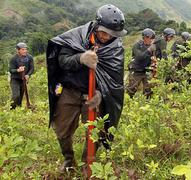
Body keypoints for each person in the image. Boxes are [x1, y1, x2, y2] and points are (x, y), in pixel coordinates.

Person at [46, 4, 126, 173]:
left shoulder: (116, 49)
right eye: (103, 32)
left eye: (111, 34)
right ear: (96, 25)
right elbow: (62, 61)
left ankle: (87, 162)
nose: (106, 37)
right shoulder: (75, 37)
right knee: (62, 128)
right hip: (70, 89)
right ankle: (68, 159)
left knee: (97, 129)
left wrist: (100, 93)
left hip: (94, 94)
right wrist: (80, 58)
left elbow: (113, 80)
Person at [127, 28, 156, 98]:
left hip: (147, 70)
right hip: (136, 70)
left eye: (153, 38)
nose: (151, 40)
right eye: (150, 38)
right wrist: (149, 50)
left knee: (148, 89)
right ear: (144, 37)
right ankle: (128, 103)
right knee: (132, 89)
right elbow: (139, 57)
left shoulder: (152, 46)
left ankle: (147, 104)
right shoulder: (137, 45)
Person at [9, 42, 34, 109]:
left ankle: (19, 111)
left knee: (20, 97)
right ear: (18, 50)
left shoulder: (29, 57)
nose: (25, 51)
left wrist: (28, 75)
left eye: (25, 49)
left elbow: (32, 68)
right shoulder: (14, 58)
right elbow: (11, 70)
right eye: (22, 49)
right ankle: (11, 109)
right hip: (15, 79)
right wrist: (18, 70)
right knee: (16, 96)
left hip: (23, 80)